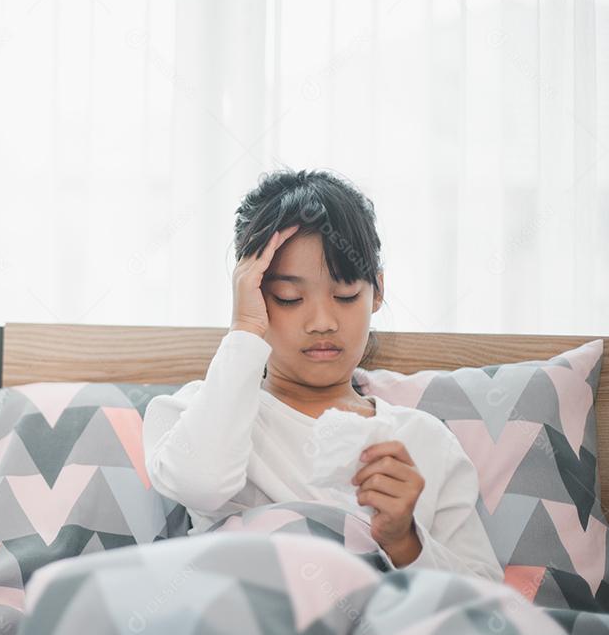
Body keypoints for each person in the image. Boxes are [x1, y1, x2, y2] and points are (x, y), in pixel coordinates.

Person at [142, 168, 504, 582]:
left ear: (377, 292)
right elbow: (200, 483)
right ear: (254, 295)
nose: (322, 322)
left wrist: (405, 542)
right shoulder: (202, 411)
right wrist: (244, 329)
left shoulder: (423, 441)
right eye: (289, 298)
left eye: (346, 295)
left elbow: (487, 602)